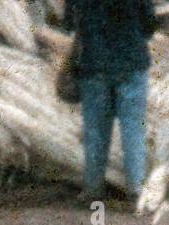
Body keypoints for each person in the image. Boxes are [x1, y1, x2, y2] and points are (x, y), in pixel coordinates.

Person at [66, 0, 156, 205]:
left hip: (93, 61)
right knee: (133, 129)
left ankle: (93, 188)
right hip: (131, 59)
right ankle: (136, 188)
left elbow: (69, 22)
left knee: (95, 131)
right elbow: (149, 22)